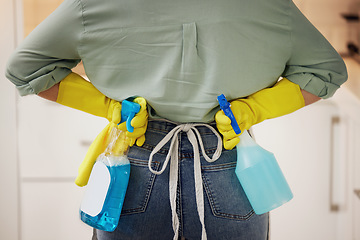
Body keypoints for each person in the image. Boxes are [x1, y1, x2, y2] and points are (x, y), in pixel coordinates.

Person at [5, 0, 347, 239]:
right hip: (230, 165)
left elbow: (25, 70)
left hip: (135, 166)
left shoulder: (91, 4)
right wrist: (252, 109)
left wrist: (111, 108)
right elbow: (327, 72)